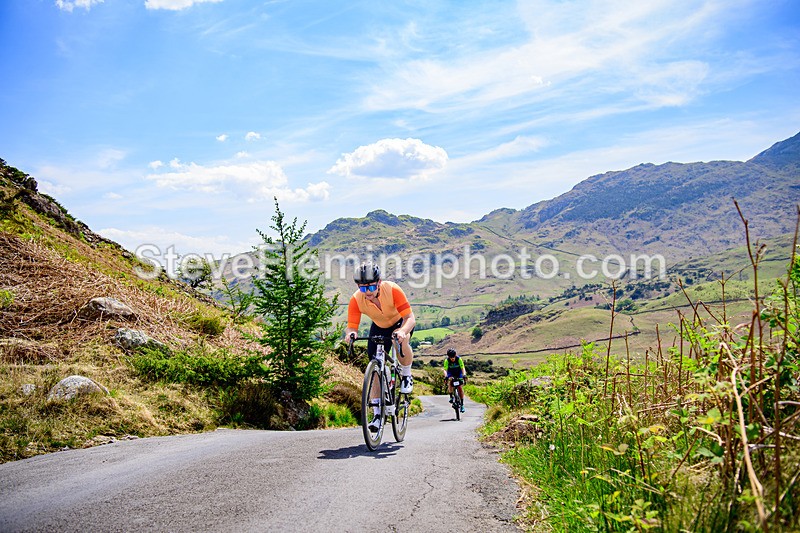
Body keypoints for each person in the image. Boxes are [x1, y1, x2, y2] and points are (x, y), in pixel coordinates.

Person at [345, 262, 416, 432]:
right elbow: (352, 325)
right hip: (379, 326)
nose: (367, 292)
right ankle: (377, 414)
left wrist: (403, 331)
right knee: (375, 367)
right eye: (363, 289)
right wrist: (351, 334)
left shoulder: (392, 290)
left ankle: (406, 375)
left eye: (370, 287)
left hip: (401, 322)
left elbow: (410, 318)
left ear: (379, 282)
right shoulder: (356, 299)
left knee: (399, 340)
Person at [443, 348, 466, 413]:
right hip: (451, 372)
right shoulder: (447, 361)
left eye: (453, 357)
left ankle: (462, 404)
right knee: (450, 382)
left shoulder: (459, 359)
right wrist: (446, 377)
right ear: (448, 357)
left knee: (460, 387)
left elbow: (462, 368)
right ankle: (451, 396)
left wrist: (464, 375)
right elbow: (445, 370)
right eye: (451, 357)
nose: (452, 359)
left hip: (459, 372)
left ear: (455, 355)